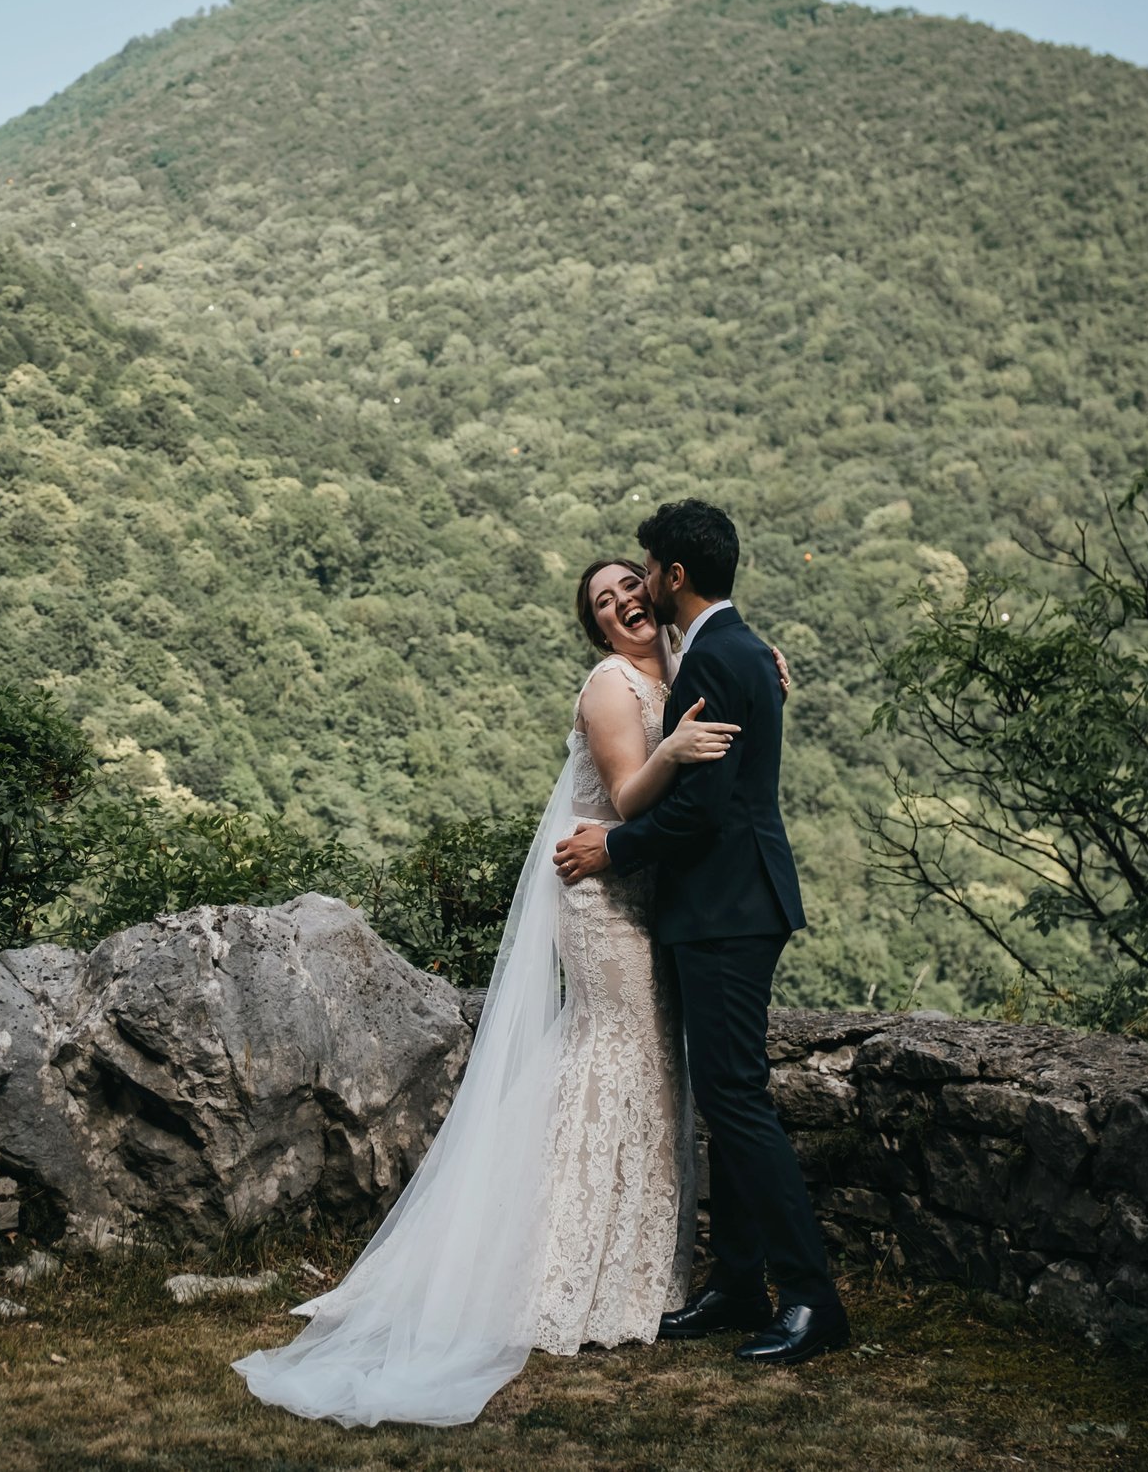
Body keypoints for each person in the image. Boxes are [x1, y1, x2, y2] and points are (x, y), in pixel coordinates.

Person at [232, 555, 745, 1427]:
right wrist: (674, 747)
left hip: (655, 902)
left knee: (652, 1067)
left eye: (629, 588)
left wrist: (761, 666)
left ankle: (630, 1266)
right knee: (611, 1058)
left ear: (657, 593)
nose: (621, 603)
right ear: (595, 626)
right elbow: (625, 793)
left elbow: (723, 652)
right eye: (602, 601)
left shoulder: (684, 666)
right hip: (603, 900)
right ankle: (556, 1266)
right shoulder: (611, 683)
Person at [552, 498, 850, 1365]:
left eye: (643, 572)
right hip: (722, 906)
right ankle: (736, 1283)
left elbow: (701, 813)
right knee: (727, 1098)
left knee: (738, 1101)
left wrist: (613, 846)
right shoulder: (729, 647)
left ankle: (810, 1298)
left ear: (674, 577)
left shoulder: (716, 657)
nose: (635, 586)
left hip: (725, 909)